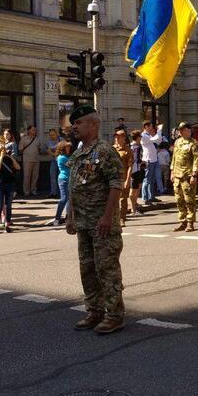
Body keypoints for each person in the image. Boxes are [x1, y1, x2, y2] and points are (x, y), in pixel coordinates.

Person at [66, 105, 126, 334]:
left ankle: (114, 314)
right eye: (74, 124)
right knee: (88, 269)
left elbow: (115, 185)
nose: (74, 127)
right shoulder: (80, 152)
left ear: (92, 124)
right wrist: (70, 216)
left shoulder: (104, 151)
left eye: (78, 123)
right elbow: (74, 186)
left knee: (106, 269)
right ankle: (94, 310)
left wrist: (107, 217)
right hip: (83, 222)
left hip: (102, 224)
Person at [170, 122, 198, 231]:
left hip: (187, 176)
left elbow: (197, 160)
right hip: (177, 176)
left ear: (188, 130)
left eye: (182, 130)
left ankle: (190, 222)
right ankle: (182, 221)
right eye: (180, 130)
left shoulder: (194, 143)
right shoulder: (178, 142)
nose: (180, 132)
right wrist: (172, 172)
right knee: (179, 200)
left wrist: (194, 175)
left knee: (189, 200)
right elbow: (174, 157)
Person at [0, 136, 20, 234]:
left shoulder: (8, 159)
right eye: (1, 149)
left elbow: (18, 167)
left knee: (8, 205)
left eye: (4, 149)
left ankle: (7, 225)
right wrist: (1, 157)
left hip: (9, 184)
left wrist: (10, 157)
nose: (3, 150)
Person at [140, 121, 164, 203]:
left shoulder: (148, 135)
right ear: (146, 127)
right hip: (148, 160)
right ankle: (145, 198)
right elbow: (156, 139)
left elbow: (159, 141)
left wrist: (158, 133)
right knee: (147, 180)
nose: (152, 127)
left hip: (154, 159)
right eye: (150, 126)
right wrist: (159, 130)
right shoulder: (143, 136)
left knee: (152, 180)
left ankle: (151, 196)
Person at [52, 141, 73, 226]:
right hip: (63, 180)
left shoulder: (66, 156)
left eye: (69, 147)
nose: (69, 149)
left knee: (69, 199)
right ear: (63, 148)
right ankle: (57, 218)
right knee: (64, 199)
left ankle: (68, 217)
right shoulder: (62, 157)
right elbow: (72, 164)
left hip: (69, 179)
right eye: (67, 147)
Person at [113, 130, 133, 219]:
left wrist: (128, 180)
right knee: (113, 199)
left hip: (123, 177)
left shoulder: (128, 150)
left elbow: (130, 166)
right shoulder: (112, 149)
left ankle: (122, 218)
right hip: (113, 177)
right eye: (116, 137)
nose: (117, 139)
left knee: (123, 199)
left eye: (119, 137)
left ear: (124, 138)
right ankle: (115, 218)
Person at [18, 125, 43, 197]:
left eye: (35, 130)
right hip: (27, 160)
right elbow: (20, 149)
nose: (34, 131)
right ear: (28, 131)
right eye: (33, 130)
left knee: (35, 176)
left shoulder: (37, 139)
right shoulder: (24, 139)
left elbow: (39, 149)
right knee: (27, 176)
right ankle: (26, 192)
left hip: (36, 160)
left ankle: (33, 190)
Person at [128, 130, 144, 217]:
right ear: (137, 137)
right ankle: (133, 208)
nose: (141, 138)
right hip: (134, 170)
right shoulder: (134, 147)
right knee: (133, 190)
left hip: (138, 169)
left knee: (137, 188)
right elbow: (135, 159)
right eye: (140, 136)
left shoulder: (137, 146)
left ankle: (135, 206)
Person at [46, 128, 62, 198]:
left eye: (53, 134)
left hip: (61, 161)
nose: (52, 136)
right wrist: (55, 154)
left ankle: (60, 192)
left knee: (60, 176)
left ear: (56, 134)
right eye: (50, 135)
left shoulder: (61, 139)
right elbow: (48, 151)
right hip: (54, 161)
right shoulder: (49, 141)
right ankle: (53, 192)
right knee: (52, 176)